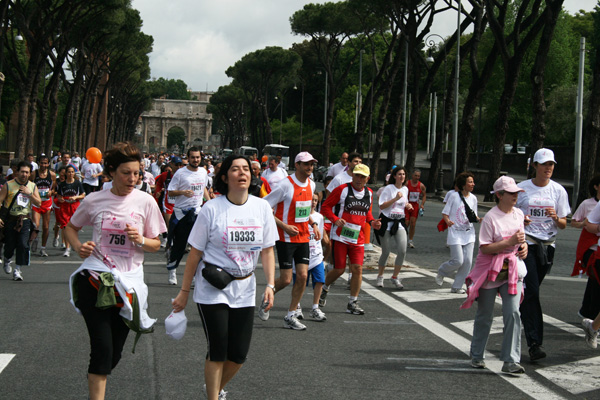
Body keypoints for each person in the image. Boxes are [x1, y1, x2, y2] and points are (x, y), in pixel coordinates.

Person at [64, 142, 166, 400]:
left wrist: (140, 240)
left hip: (128, 285)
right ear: (110, 172)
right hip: (96, 280)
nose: (133, 179)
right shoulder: (94, 199)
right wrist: (78, 246)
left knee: (113, 354)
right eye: (126, 173)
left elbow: (156, 244)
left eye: (137, 173)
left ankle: (97, 374)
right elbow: (70, 227)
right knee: (101, 349)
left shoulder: (146, 201)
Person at [171, 155, 276, 400]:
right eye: (236, 169)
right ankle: (212, 397)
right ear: (224, 177)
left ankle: (214, 388)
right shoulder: (211, 208)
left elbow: (268, 250)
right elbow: (195, 253)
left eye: (246, 169)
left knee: (238, 355)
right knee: (218, 351)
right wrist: (184, 292)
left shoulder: (261, 208)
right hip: (213, 288)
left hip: (245, 289)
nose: (242, 173)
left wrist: (270, 284)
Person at [461, 176, 528, 374]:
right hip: (489, 270)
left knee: (513, 313)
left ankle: (510, 361)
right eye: (511, 193)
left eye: (516, 192)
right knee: (485, 315)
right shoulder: (491, 217)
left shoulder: (518, 214)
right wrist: (509, 243)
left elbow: (521, 240)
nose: (515, 196)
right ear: (499, 195)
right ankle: (477, 354)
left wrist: (523, 247)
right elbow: (486, 248)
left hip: (511, 269)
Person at [516, 148, 569, 361]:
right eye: (544, 164)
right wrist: (522, 220)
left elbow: (564, 224)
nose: (549, 168)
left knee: (531, 291)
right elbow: (509, 212)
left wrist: (556, 217)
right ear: (534, 166)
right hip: (526, 243)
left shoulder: (558, 191)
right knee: (533, 291)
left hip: (547, 246)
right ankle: (535, 343)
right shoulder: (521, 189)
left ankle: (523, 312)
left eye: (552, 164)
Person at [260, 152, 319, 330]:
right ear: (298, 165)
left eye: (312, 164)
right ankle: (266, 298)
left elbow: (305, 210)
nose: (310, 167)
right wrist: (283, 226)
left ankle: (291, 314)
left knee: (302, 276)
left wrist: (314, 224)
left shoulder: (312, 184)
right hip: (285, 237)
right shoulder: (285, 185)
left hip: (303, 237)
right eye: (306, 164)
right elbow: (265, 206)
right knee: (286, 279)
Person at [319, 164, 381, 314]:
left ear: (368, 179)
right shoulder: (342, 190)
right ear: (352, 175)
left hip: (358, 238)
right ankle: (324, 287)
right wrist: (335, 219)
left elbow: (368, 213)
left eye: (363, 177)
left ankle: (352, 302)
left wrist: (373, 222)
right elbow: (325, 207)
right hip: (340, 235)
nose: (359, 179)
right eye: (357, 175)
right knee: (339, 269)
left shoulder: (369, 193)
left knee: (357, 269)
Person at [166, 147, 210, 285]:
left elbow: (203, 188)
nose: (195, 160)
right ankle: (172, 269)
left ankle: (196, 276)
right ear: (188, 158)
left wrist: (209, 203)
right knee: (180, 245)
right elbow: (170, 192)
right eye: (193, 157)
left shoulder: (203, 172)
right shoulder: (180, 173)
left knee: (199, 246)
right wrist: (183, 192)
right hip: (182, 214)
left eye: (197, 157)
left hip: (197, 213)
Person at [435, 172, 479, 294]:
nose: (473, 184)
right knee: (458, 260)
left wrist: (479, 219)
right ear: (463, 184)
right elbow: (445, 212)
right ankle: (442, 271)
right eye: (470, 182)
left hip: (469, 233)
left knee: (468, 261)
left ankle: (457, 286)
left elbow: (474, 215)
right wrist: (448, 221)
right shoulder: (454, 196)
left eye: (473, 182)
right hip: (455, 233)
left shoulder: (474, 198)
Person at [0, 161, 41, 281]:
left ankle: (17, 270)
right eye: (22, 171)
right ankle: (7, 260)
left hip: (24, 219)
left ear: (30, 173)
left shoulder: (32, 186)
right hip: (11, 219)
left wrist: (30, 194)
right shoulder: (9, 185)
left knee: (23, 245)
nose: (24, 174)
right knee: (10, 245)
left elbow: (38, 203)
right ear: (17, 172)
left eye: (27, 172)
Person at [375, 166, 412, 289]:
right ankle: (380, 276)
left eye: (403, 174)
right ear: (394, 176)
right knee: (386, 251)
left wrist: (408, 205)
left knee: (402, 250)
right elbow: (382, 206)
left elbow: (404, 202)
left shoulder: (406, 189)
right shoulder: (388, 189)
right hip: (386, 221)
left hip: (399, 222)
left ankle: (395, 277)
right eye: (399, 174)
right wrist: (395, 198)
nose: (402, 176)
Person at [294, 193, 328, 321]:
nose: (313, 202)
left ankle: (315, 307)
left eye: (315, 200)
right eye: (311, 200)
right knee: (300, 281)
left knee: (319, 280)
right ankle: (296, 307)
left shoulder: (319, 217)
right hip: (301, 253)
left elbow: (320, 234)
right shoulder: (300, 215)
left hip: (316, 254)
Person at [572, 175, 600, 320]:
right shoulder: (588, 204)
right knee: (596, 280)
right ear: (596, 186)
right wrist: (586, 225)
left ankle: (586, 311)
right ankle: (592, 317)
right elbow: (576, 222)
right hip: (591, 249)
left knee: (595, 281)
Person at [30, 155, 56, 257]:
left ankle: (43, 248)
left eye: (45, 163)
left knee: (45, 227)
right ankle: (35, 239)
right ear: (38, 163)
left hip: (47, 203)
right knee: (36, 225)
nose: (43, 165)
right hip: (36, 202)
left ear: (48, 164)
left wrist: (51, 192)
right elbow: (29, 185)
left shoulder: (52, 175)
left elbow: (54, 189)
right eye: (42, 163)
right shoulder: (33, 174)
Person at [56, 165, 85, 257]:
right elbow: (59, 195)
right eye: (69, 172)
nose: (71, 174)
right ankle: (67, 248)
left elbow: (83, 195)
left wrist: (75, 197)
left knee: (75, 226)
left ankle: (73, 241)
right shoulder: (62, 184)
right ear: (66, 173)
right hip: (65, 206)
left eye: (72, 172)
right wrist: (60, 199)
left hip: (74, 206)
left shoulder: (77, 183)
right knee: (65, 226)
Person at [405, 169, 427, 248]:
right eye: (415, 175)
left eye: (418, 176)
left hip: (415, 206)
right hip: (407, 205)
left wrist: (422, 204)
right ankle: (403, 238)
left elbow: (424, 195)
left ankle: (410, 240)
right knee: (406, 223)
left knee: (413, 224)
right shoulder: (407, 183)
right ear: (412, 175)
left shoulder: (421, 185)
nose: (417, 177)